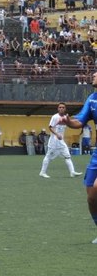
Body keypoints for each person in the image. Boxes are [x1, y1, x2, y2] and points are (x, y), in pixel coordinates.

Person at [61, 72, 97, 243]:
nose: (93, 76)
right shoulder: (92, 99)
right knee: (91, 197)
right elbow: (80, 121)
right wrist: (69, 122)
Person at [39, 103, 83, 179]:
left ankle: (72, 172)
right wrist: (57, 134)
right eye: (60, 107)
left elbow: (72, 123)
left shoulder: (66, 118)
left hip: (61, 142)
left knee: (67, 156)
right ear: (58, 109)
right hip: (54, 142)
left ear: (65, 109)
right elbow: (50, 127)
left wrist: (72, 120)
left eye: (63, 107)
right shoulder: (55, 117)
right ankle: (42, 172)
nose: (61, 108)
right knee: (48, 156)